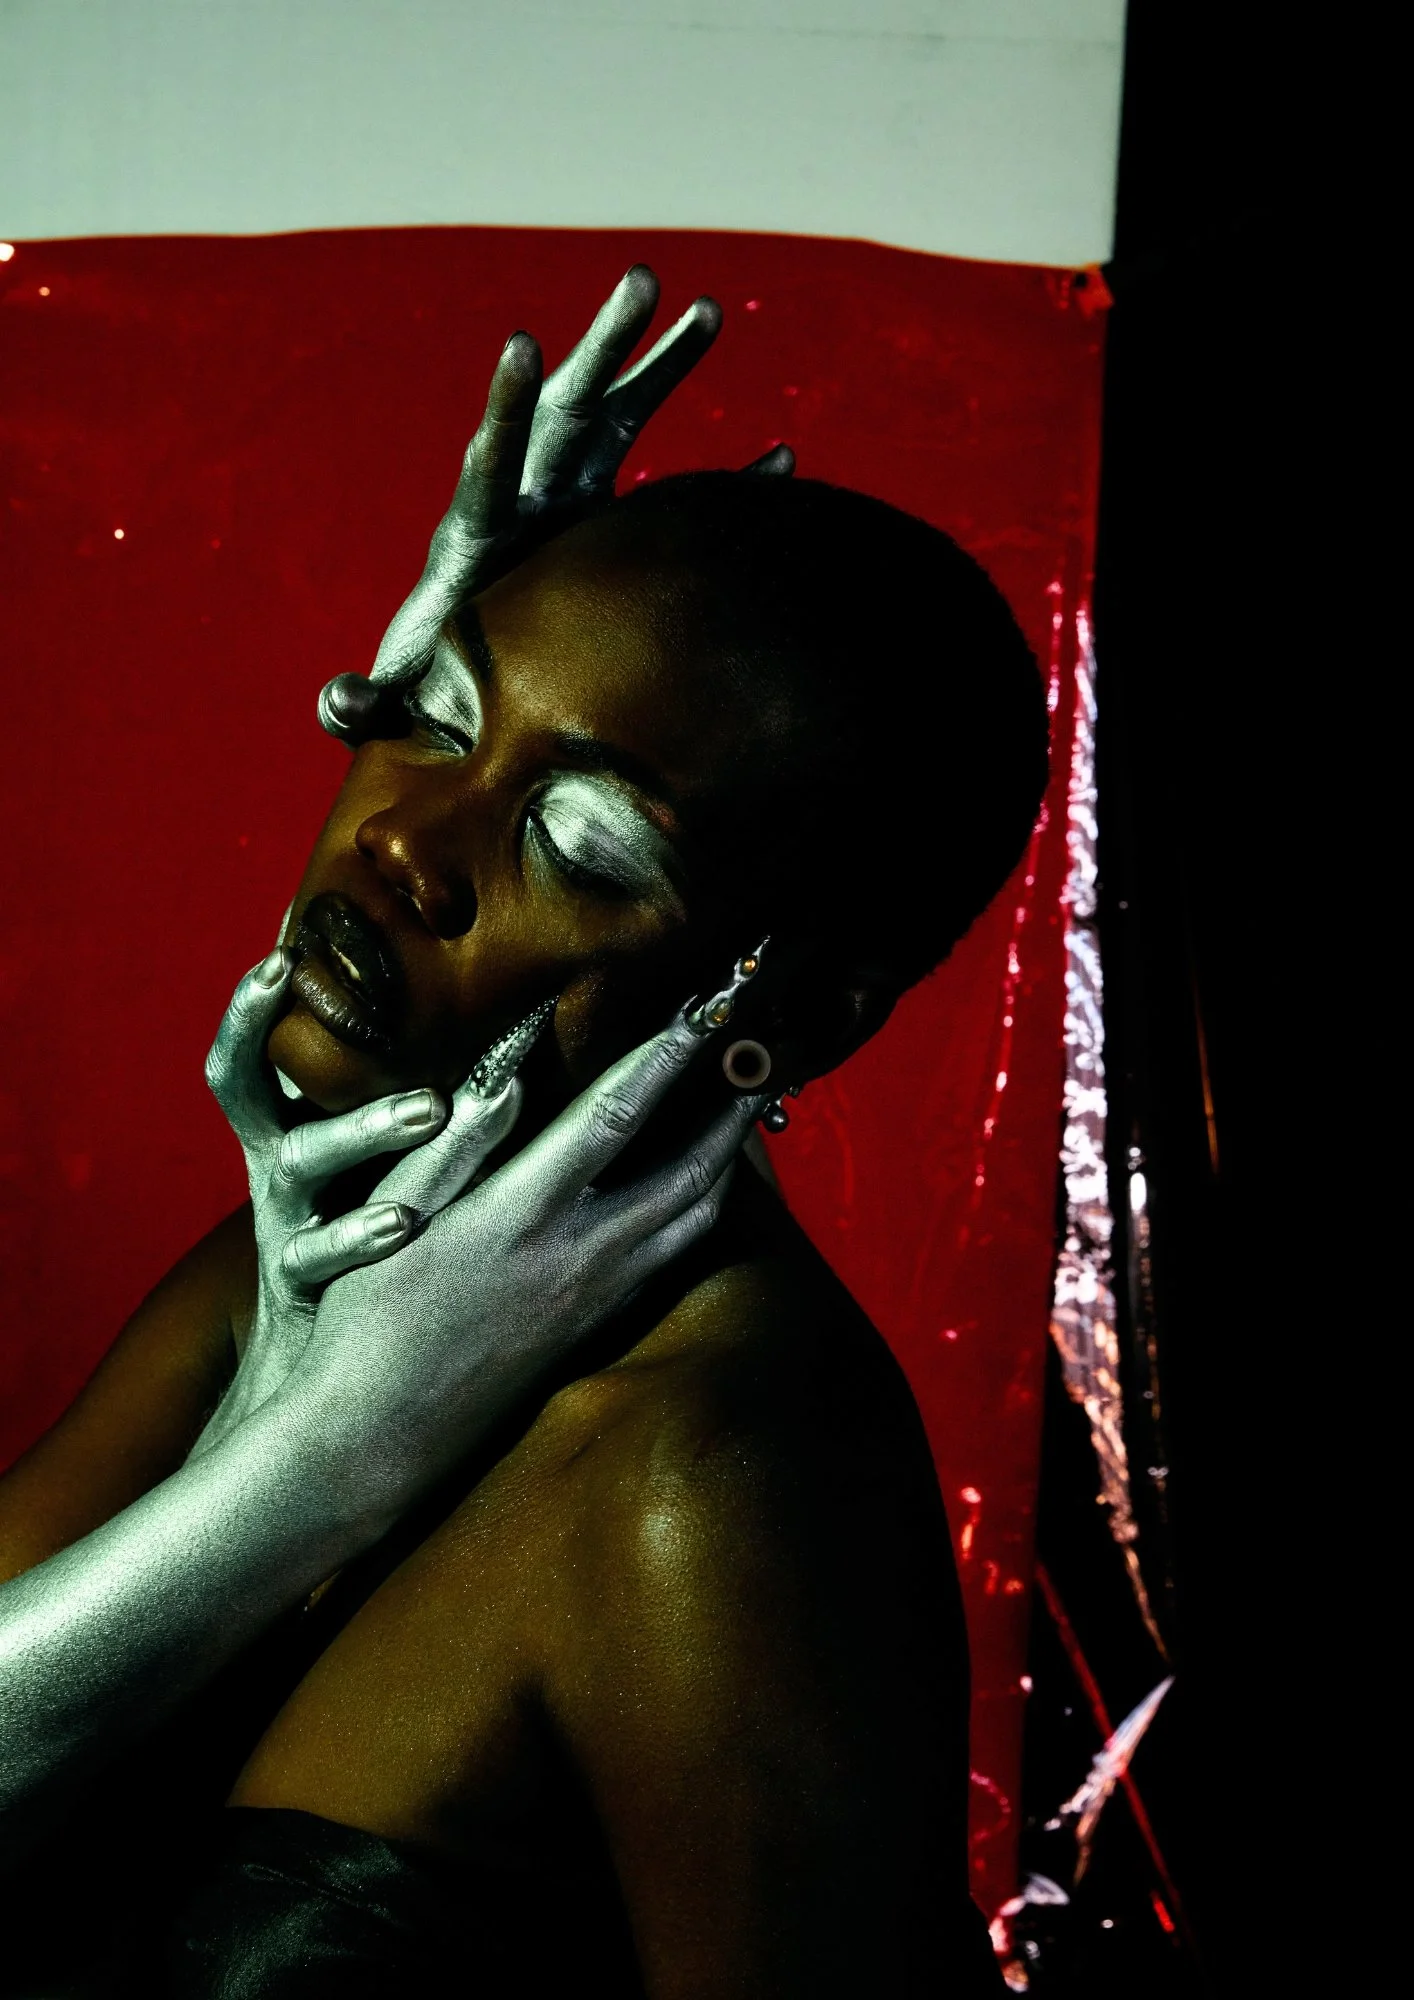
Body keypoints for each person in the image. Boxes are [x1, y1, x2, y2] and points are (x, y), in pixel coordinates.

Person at [0, 268, 1045, 1996]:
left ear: (793, 1016)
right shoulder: (327, 1253)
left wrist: (322, 1454)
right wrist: (305, 1440)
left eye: (585, 843)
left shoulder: (703, 1481)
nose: (410, 844)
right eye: (436, 716)